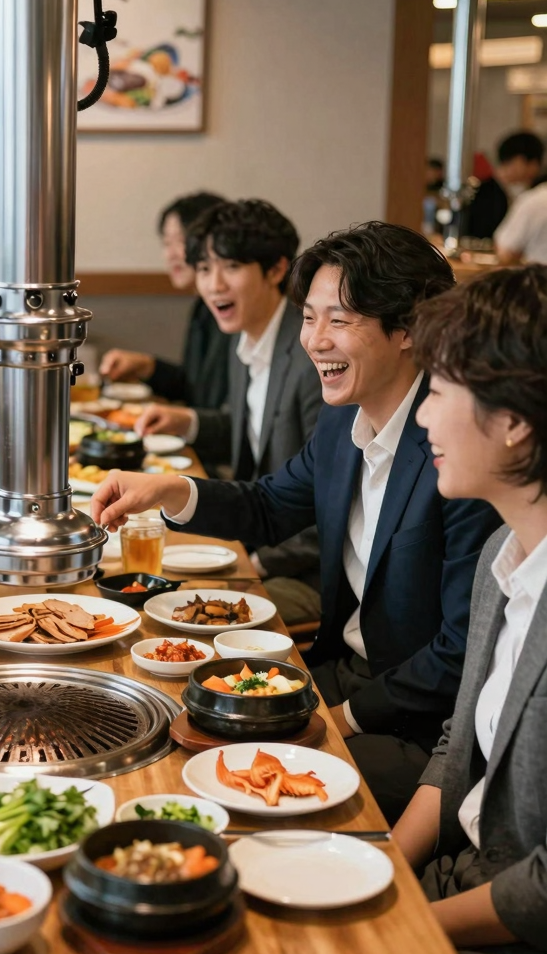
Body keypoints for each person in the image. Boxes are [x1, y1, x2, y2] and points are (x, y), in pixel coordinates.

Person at [91, 222, 502, 822]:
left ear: (411, 328)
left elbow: (460, 651)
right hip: (340, 673)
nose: (315, 341)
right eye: (308, 318)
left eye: (339, 320)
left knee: (242, 791)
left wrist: (342, 720)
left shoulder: (455, 449)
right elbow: (270, 505)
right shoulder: (343, 421)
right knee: (175, 716)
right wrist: (168, 489)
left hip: (421, 725)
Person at [393, 266, 547, 954]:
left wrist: (404, 922)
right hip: (459, 879)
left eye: (441, 393)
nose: (423, 416)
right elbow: (461, 738)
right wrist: (387, 868)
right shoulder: (502, 549)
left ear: (515, 422)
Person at [132, 199, 324, 625]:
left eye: (231, 267)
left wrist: (248, 562)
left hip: (307, 572)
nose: (214, 284)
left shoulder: (311, 354)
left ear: (276, 270)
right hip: (253, 539)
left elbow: (326, 502)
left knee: (171, 614)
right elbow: (255, 432)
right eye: (203, 269)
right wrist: (190, 422)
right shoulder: (247, 341)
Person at [98, 191, 228, 409]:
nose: (170, 255)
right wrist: (147, 366)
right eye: (167, 243)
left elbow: (220, 408)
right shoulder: (201, 308)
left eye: (181, 241)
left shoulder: (230, 310)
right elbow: (194, 389)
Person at [468, 131, 543, 242]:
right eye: (535, 164)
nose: (536, 170)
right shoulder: (487, 193)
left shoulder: (514, 190)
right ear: (520, 160)